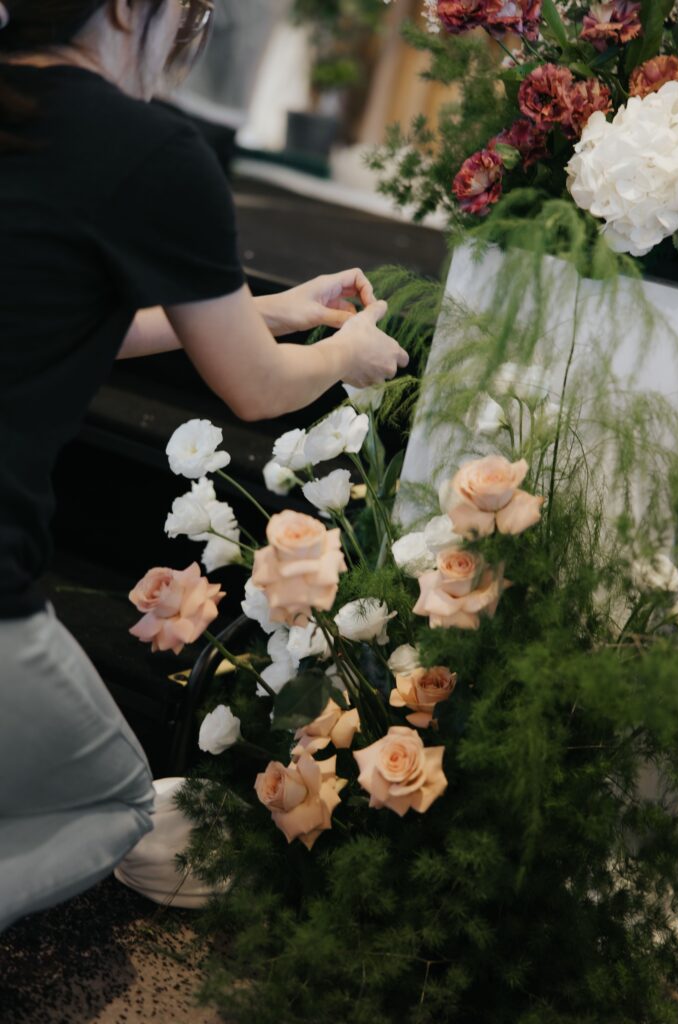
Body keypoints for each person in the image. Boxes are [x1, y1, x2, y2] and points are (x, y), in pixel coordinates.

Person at [0, 0, 409, 932]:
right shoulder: (145, 148)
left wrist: (268, 309)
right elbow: (259, 390)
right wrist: (343, 356)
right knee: (110, 801)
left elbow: (63, 315)